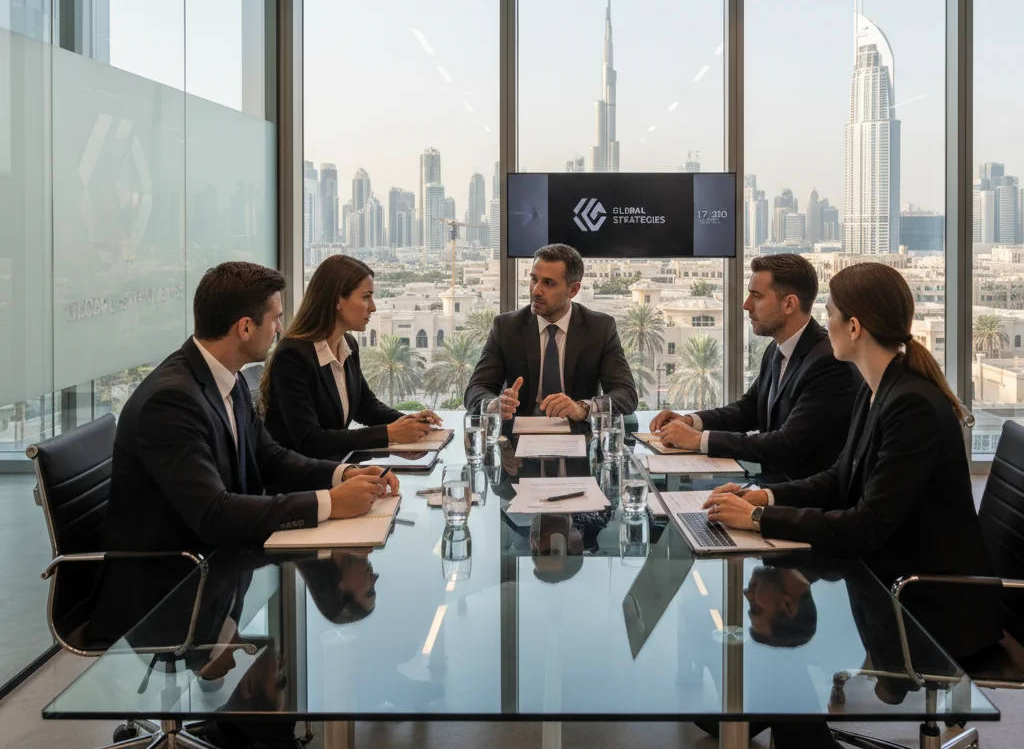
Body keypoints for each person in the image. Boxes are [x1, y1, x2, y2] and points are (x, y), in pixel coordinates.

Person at [704, 262, 1005, 665]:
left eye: (829, 315)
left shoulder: (910, 404)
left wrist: (758, 518)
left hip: (926, 604)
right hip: (887, 580)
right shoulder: (877, 387)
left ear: (854, 327)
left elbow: (866, 526)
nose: (823, 327)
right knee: (785, 659)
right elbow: (839, 478)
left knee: (786, 661)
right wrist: (763, 496)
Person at [93, 262, 399, 641]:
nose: (281, 330)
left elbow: (270, 458)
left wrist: (343, 476)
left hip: (226, 567)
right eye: (275, 319)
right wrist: (331, 503)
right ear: (244, 327)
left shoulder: (227, 377)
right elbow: (214, 513)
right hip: (172, 587)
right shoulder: (171, 401)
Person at [651, 254, 858, 479]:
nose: (746, 305)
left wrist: (699, 440)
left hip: (806, 501)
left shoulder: (829, 362)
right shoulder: (776, 349)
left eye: (756, 296)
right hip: (773, 490)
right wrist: (691, 421)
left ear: (789, 304)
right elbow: (749, 409)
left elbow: (788, 443)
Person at [262, 254, 440, 457]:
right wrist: (389, 435)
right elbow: (310, 440)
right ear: (338, 300)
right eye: (366, 297)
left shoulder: (348, 345)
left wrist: (412, 424)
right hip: (301, 483)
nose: (372, 307)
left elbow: (366, 407)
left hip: (336, 472)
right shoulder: (293, 356)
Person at [464, 243, 637, 421]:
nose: (536, 290)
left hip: (578, 435)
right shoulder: (506, 327)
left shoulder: (600, 328)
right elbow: (476, 389)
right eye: (533, 279)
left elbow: (626, 394)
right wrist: (493, 405)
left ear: (573, 290)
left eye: (548, 283)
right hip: (519, 433)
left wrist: (583, 408)